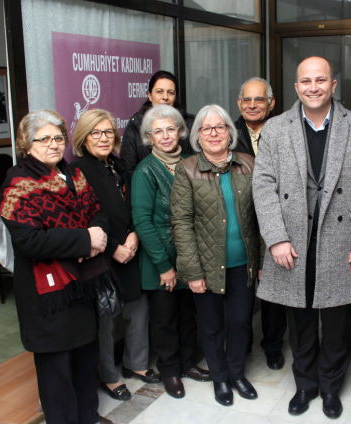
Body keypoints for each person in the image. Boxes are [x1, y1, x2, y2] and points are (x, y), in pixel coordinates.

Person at [252, 56, 351, 419]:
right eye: (306, 81)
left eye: (320, 80)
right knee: (301, 321)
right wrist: (275, 238)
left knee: (338, 325)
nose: (313, 87)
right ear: (296, 87)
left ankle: (330, 388)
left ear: (333, 85)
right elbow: (262, 186)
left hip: (342, 241)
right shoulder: (276, 129)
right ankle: (305, 384)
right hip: (292, 241)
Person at [0, 110, 113, 424]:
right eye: (44, 139)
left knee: (85, 359)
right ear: (27, 144)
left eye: (58, 138)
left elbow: (97, 211)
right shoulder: (17, 183)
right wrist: (83, 241)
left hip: (81, 284)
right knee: (57, 371)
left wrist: (96, 234)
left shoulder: (73, 174)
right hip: (47, 295)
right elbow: (30, 241)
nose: (53, 145)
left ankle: (87, 416)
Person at [170, 104, 263, 407]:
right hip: (206, 267)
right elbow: (181, 223)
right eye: (206, 128)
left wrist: (261, 261)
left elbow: (263, 214)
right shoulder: (187, 169)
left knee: (240, 322)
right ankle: (220, 379)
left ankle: (237, 373)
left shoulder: (249, 163)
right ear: (197, 135)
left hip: (243, 263)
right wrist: (192, 272)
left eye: (219, 127)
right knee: (211, 327)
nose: (213, 133)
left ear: (229, 132)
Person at [71, 109, 160, 402]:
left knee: (138, 310)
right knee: (105, 321)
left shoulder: (118, 165)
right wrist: (113, 248)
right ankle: (109, 376)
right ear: (84, 138)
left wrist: (135, 234)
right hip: (103, 255)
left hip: (131, 248)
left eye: (108, 132)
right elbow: (85, 217)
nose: (103, 138)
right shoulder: (78, 171)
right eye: (95, 132)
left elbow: (137, 203)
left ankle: (136, 363)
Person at [131, 104, 211, 399]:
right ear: (149, 137)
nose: (166, 136)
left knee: (189, 314)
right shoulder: (145, 170)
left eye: (171, 129)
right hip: (159, 259)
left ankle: (188, 362)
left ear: (181, 131)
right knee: (164, 319)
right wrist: (164, 265)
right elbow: (142, 221)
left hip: (191, 254)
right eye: (158, 131)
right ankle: (170, 370)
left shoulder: (193, 161)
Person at [233, 77, 287, 371]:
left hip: (274, 220)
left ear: (271, 103)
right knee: (241, 289)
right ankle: (243, 345)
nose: (253, 105)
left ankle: (273, 346)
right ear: (239, 103)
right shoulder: (228, 134)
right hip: (239, 223)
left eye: (259, 99)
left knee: (272, 290)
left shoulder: (285, 131)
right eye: (247, 100)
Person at [121, 70, 194, 180]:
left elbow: (198, 163)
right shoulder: (135, 125)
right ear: (149, 95)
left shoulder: (189, 123)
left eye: (170, 92)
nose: (165, 97)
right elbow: (129, 169)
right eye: (159, 91)